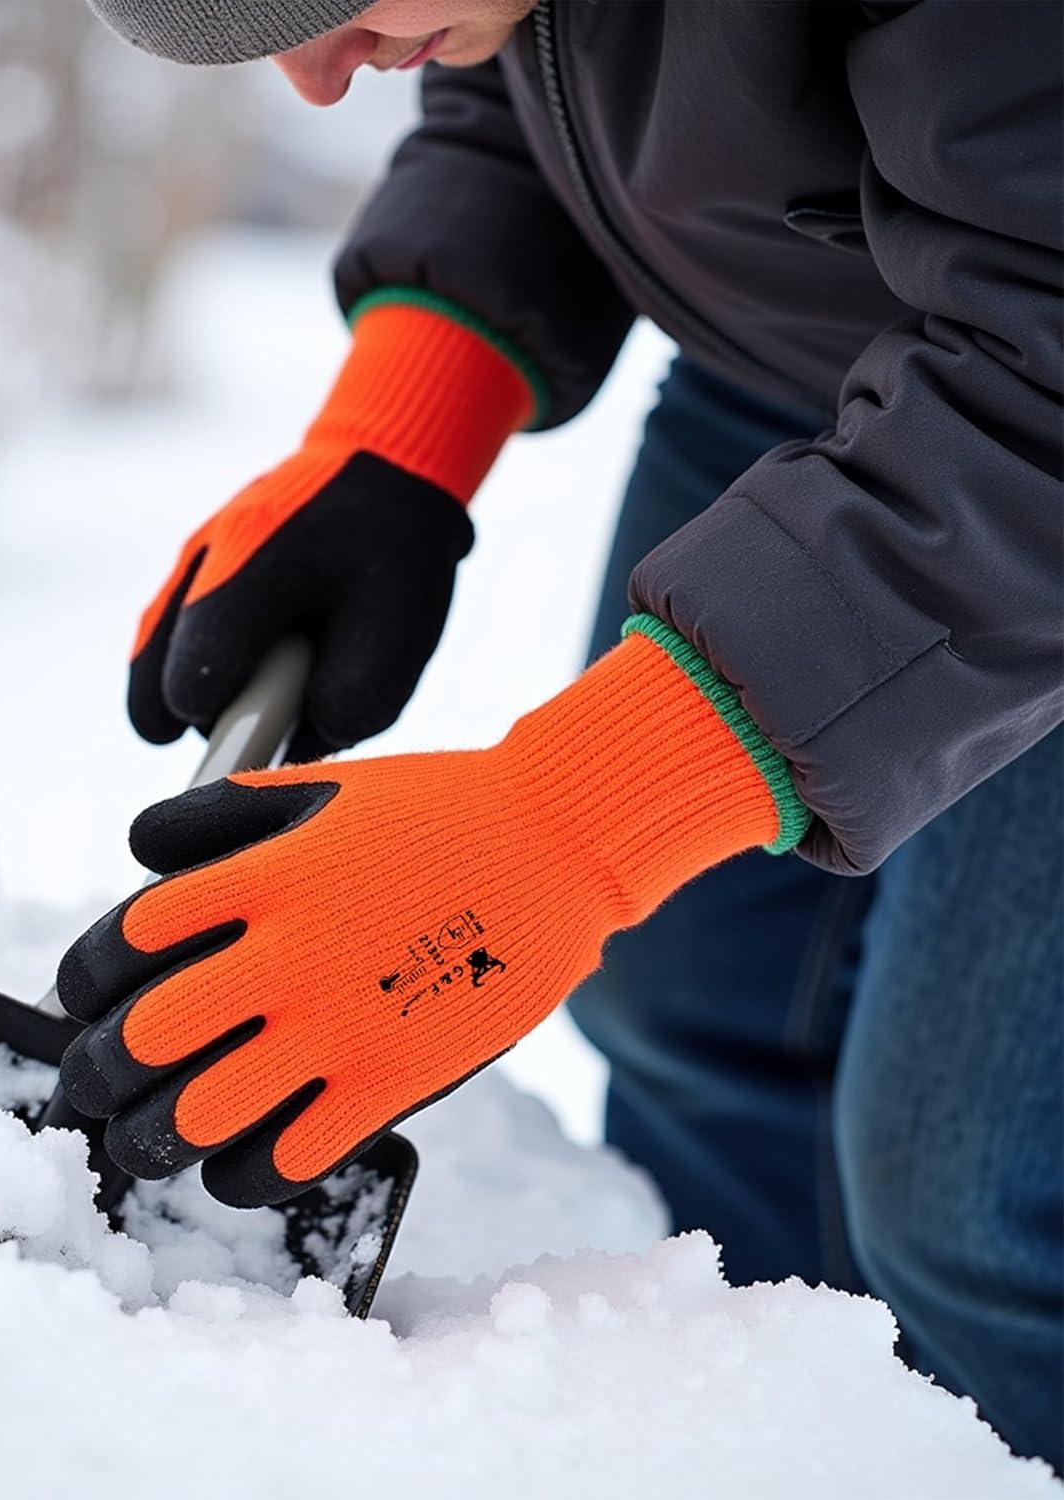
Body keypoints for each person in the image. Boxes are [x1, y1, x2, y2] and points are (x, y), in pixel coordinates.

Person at [59, 0, 1063, 1466]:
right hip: (805, 362)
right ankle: (764, 1453)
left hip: (1020, 427)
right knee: (684, 1008)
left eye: (340, 2)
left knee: (969, 1202)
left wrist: (566, 824)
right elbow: (556, 72)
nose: (315, 75)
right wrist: (405, 420)